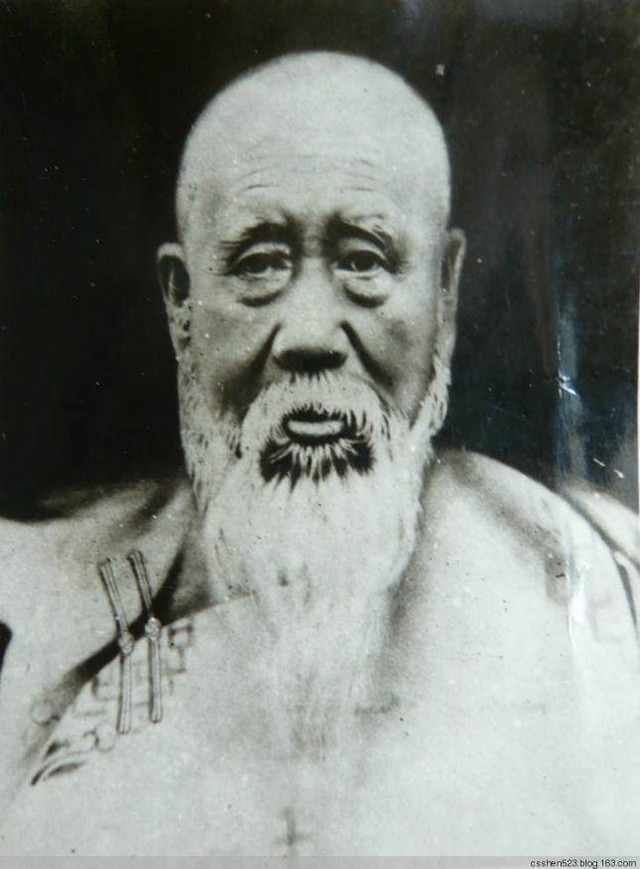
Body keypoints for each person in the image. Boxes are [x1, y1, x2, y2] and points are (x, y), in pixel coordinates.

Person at [0, 51, 638, 856]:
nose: (308, 336)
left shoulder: (609, 591)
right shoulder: (29, 615)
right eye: (258, 264)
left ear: (444, 293)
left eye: (363, 260)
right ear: (181, 302)